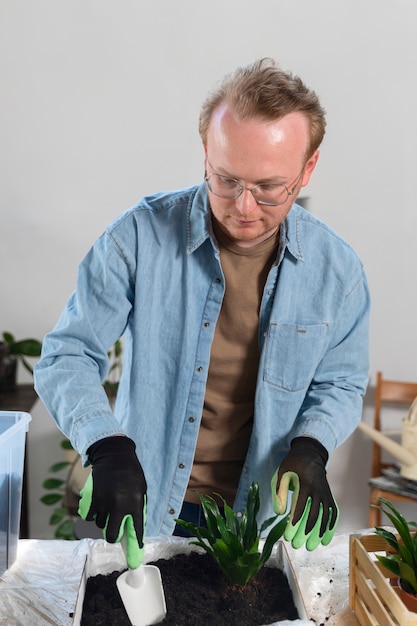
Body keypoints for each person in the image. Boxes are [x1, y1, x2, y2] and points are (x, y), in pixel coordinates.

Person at [34, 58, 370, 567]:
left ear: (308, 169)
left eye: (269, 187)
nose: (245, 207)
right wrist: (105, 445)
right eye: (226, 179)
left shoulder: (338, 272)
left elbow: (341, 383)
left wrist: (312, 446)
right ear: (206, 155)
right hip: (146, 510)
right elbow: (67, 354)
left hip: (257, 522)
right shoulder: (139, 237)